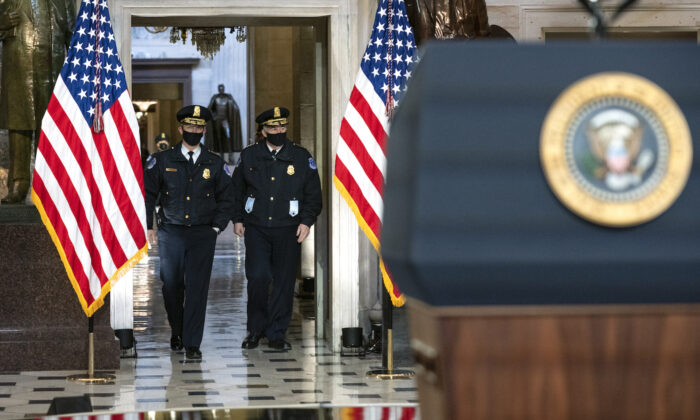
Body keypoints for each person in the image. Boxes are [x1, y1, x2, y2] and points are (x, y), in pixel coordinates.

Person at [144, 105, 234, 360]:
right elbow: (148, 193)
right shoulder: (162, 160)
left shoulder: (215, 163)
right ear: (180, 128)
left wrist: (217, 227)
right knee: (172, 286)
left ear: (204, 130)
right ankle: (177, 330)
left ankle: (192, 342)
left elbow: (227, 198)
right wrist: (148, 225)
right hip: (171, 231)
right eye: (189, 126)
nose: (193, 131)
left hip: (202, 233)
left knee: (198, 287)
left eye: (198, 127)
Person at [232, 106, 322, 351]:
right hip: (257, 226)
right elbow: (236, 190)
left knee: (283, 281)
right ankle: (255, 329)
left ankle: (277, 334)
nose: (278, 131)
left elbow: (313, 194)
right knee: (258, 277)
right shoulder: (250, 156)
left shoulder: (301, 157)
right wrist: (237, 219)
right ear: (263, 131)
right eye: (272, 127)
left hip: (288, 227)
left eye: (281, 126)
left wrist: (306, 221)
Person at [0, 0, 76, 204]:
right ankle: (18, 185)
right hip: (18, 70)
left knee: (50, 131)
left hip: (52, 72)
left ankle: (50, 186)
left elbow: (73, 37)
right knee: (19, 128)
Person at [206, 84, 243, 155]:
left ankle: (230, 154)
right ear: (218, 89)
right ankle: (221, 154)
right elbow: (209, 108)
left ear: (224, 89)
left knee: (228, 136)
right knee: (218, 138)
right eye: (220, 88)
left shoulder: (228, 97)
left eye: (222, 88)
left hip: (225, 120)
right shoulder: (215, 98)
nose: (221, 90)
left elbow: (235, 108)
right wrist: (214, 116)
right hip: (217, 120)